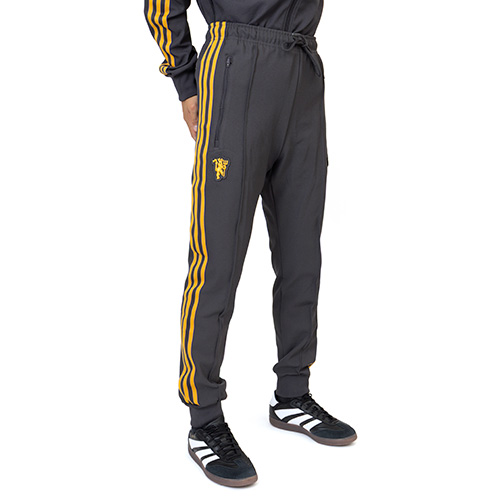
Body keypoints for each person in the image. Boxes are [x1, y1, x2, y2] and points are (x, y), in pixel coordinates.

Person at [144, 0, 357, 487]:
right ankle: (204, 418)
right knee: (216, 257)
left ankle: (293, 393)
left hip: (303, 68)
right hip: (236, 64)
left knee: (302, 254)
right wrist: (184, 79)